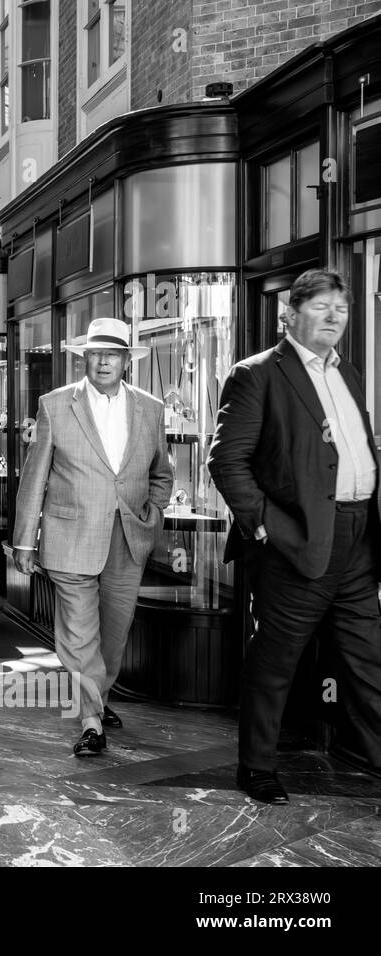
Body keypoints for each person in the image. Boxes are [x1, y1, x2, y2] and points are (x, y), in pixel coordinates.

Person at [207, 268, 381, 805]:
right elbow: (226, 461)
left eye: (341, 309)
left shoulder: (347, 372)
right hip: (294, 543)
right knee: (275, 661)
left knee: (368, 661)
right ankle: (256, 768)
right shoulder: (258, 373)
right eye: (321, 307)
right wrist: (266, 527)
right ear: (290, 314)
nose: (334, 317)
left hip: (356, 541)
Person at [11, 318, 173, 756]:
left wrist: (152, 515)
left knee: (114, 635)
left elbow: (162, 472)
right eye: (96, 353)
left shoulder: (150, 408)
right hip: (70, 536)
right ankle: (90, 720)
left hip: (129, 537)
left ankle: (98, 697)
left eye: (113, 354)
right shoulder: (55, 405)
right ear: (85, 357)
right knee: (79, 635)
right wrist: (25, 541)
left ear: (126, 361)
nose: (103, 361)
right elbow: (34, 478)